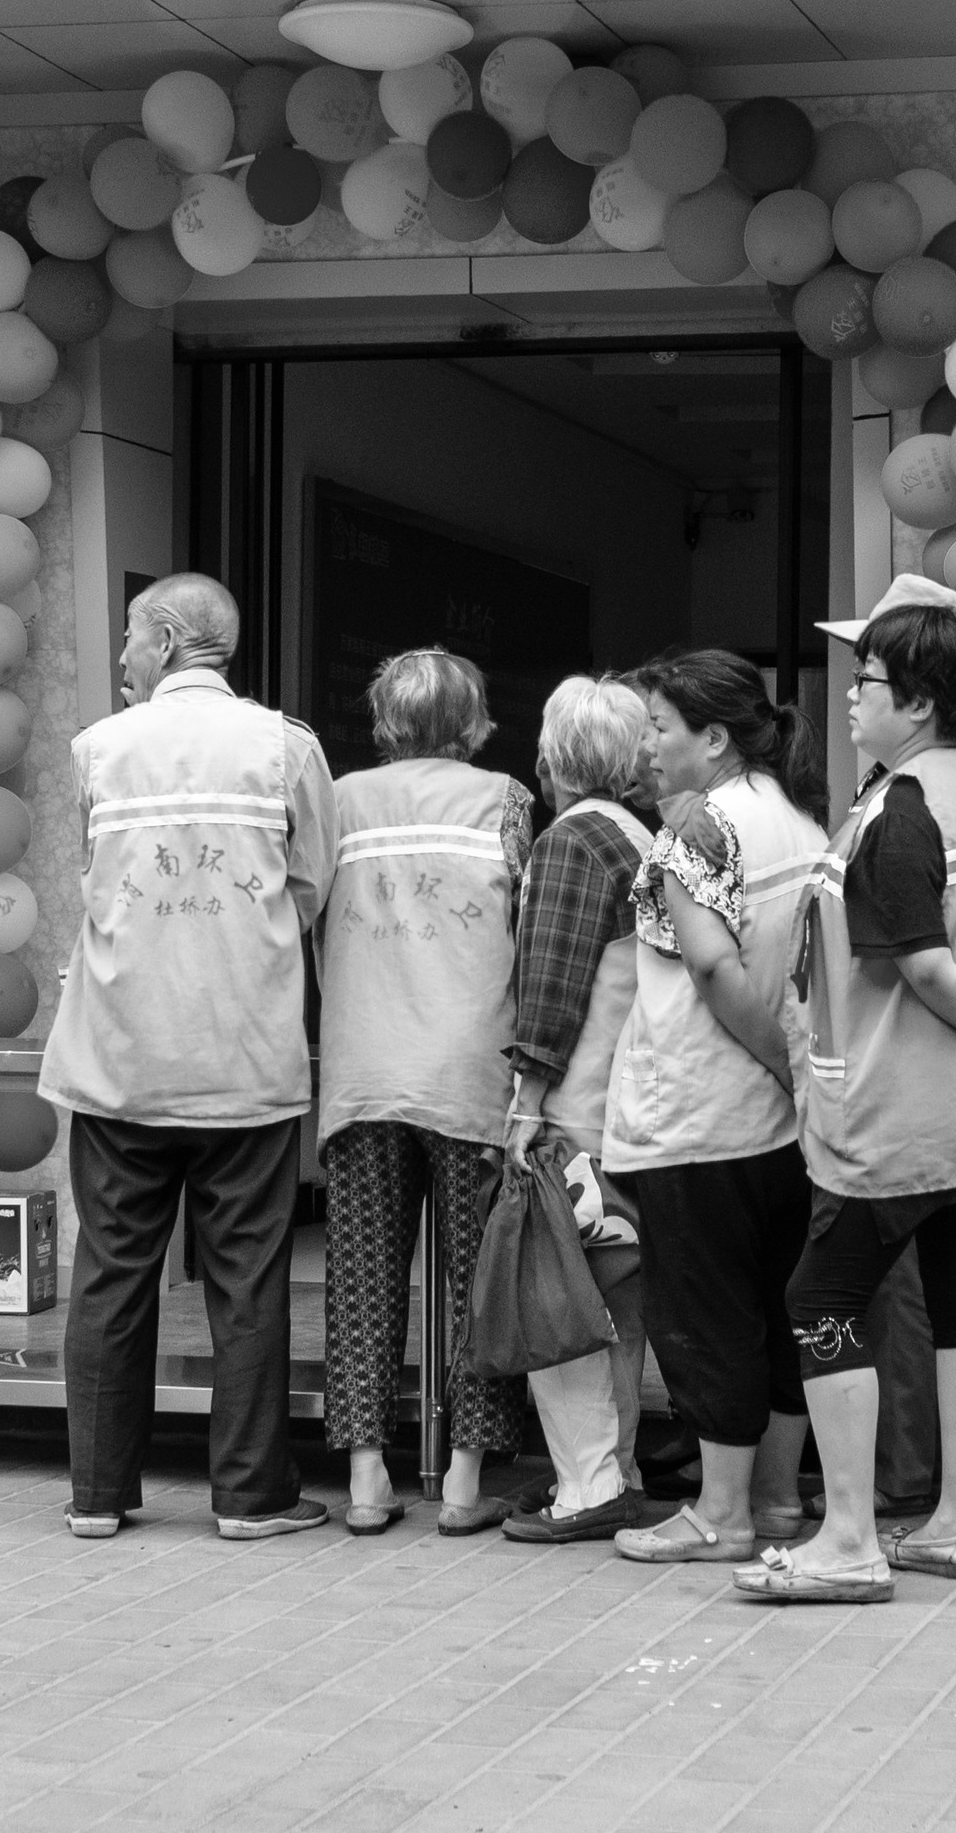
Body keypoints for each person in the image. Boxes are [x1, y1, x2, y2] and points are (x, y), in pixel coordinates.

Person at [741, 578, 956, 1602]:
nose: (849, 697)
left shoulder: (902, 808)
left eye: (866, 680)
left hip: (898, 1117)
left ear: (919, 702)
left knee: (819, 1299)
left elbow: (922, 967)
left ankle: (846, 1538)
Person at [39, 573, 339, 1543]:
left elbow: (82, 889)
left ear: (166, 639)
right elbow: (309, 890)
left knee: (111, 1272)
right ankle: (250, 1497)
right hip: (243, 1062)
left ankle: (96, 1493)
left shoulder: (98, 750)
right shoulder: (287, 748)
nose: (123, 655)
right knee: (246, 1280)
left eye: (130, 636)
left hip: (120, 1056)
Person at [609, 648, 829, 1567]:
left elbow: (711, 968)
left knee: (707, 1321)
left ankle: (723, 1513)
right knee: (776, 1316)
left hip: (702, 1118)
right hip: (782, 1131)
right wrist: (801, 1081)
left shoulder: (701, 831)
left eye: (660, 726)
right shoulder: (801, 823)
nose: (647, 744)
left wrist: (780, 1065)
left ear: (714, 736)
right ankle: (775, 1501)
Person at [317, 648, 534, 1536]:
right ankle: (463, 1479)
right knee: (477, 1281)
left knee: (362, 1273)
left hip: (366, 1064)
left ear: (385, 718)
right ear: (472, 720)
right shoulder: (507, 801)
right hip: (469, 1068)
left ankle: (367, 1475)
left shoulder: (338, 800)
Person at [498, 674, 663, 1546]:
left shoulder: (571, 842)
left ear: (556, 754)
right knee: (616, 1298)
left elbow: (549, 987)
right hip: (635, 1112)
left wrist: (524, 1104)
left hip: (574, 1106)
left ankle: (589, 1481)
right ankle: (618, 1469)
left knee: (555, 1293)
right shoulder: (645, 834)